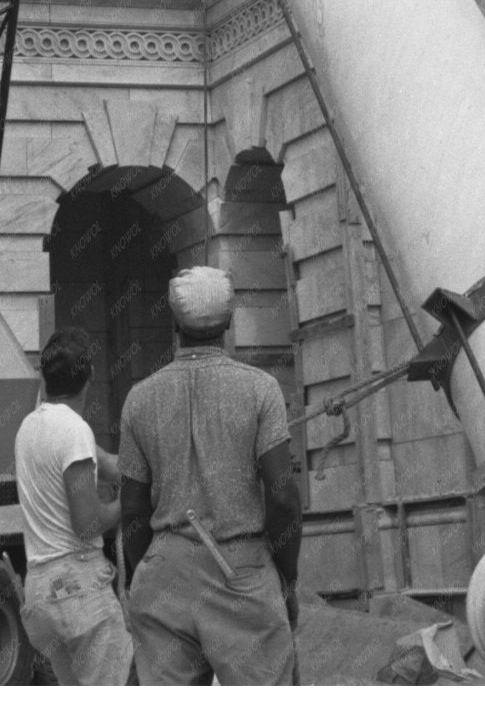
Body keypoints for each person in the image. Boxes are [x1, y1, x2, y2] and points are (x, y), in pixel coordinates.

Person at [118, 266, 302, 686]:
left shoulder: (139, 398)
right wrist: (285, 580)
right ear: (230, 322)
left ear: (173, 322)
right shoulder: (260, 389)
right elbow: (283, 496)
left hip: (164, 569)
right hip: (240, 568)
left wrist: (145, 571)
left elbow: (132, 506)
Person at [13, 328, 133, 686]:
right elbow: (88, 524)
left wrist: (151, 461)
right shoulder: (74, 429)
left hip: (42, 594)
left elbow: (110, 464)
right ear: (91, 375)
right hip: (78, 592)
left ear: (44, 375)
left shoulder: (30, 427)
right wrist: (130, 502)